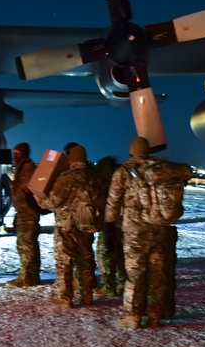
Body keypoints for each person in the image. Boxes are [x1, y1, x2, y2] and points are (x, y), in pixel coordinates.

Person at [104, 137, 174, 329]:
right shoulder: (159, 170)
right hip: (159, 229)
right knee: (158, 275)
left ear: (131, 152)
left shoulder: (124, 172)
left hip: (135, 232)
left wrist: (109, 226)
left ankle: (133, 316)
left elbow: (113, 202)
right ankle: (154, 315)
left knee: (135, 274)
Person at [38, 144, 98, 308]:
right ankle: (87, 296)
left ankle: (65, 298)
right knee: (85, 260)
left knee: (64, 261)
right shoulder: (94, 176)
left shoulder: (66, 177)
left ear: (70, 159)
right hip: (86, 225)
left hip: (66, 226)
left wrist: (40, 201)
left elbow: (53, 201)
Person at [6, 142, 41, 287]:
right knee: (28, 244)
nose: (15, 157)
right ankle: (32, 275)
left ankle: (27, 278)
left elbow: (25, 189)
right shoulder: (23, 168)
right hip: (23, 212)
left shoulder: (27, 168)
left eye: (17, 154)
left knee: (26, 245)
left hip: (28, 213)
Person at [93, 155, 122, 299]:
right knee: (120, 256)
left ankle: (109, 287)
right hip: (124, 225)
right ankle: (122, 283)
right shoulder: (123, 179)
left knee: (104, 255)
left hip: (109, 225)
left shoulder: (105, 185)